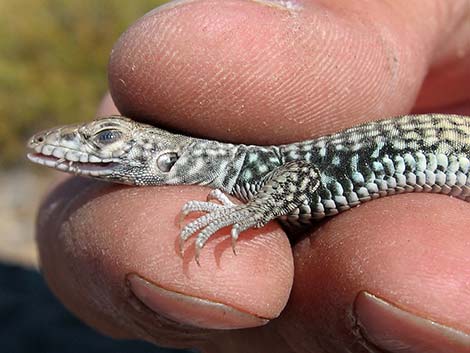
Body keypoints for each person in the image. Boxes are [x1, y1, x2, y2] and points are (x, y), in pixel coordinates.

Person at [36, 1, 470, 352]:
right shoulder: (237, 168)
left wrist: (253, 213)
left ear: (166, 158)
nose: (85, 147)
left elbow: (300, 176)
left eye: (106, 137)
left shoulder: (252, 168)